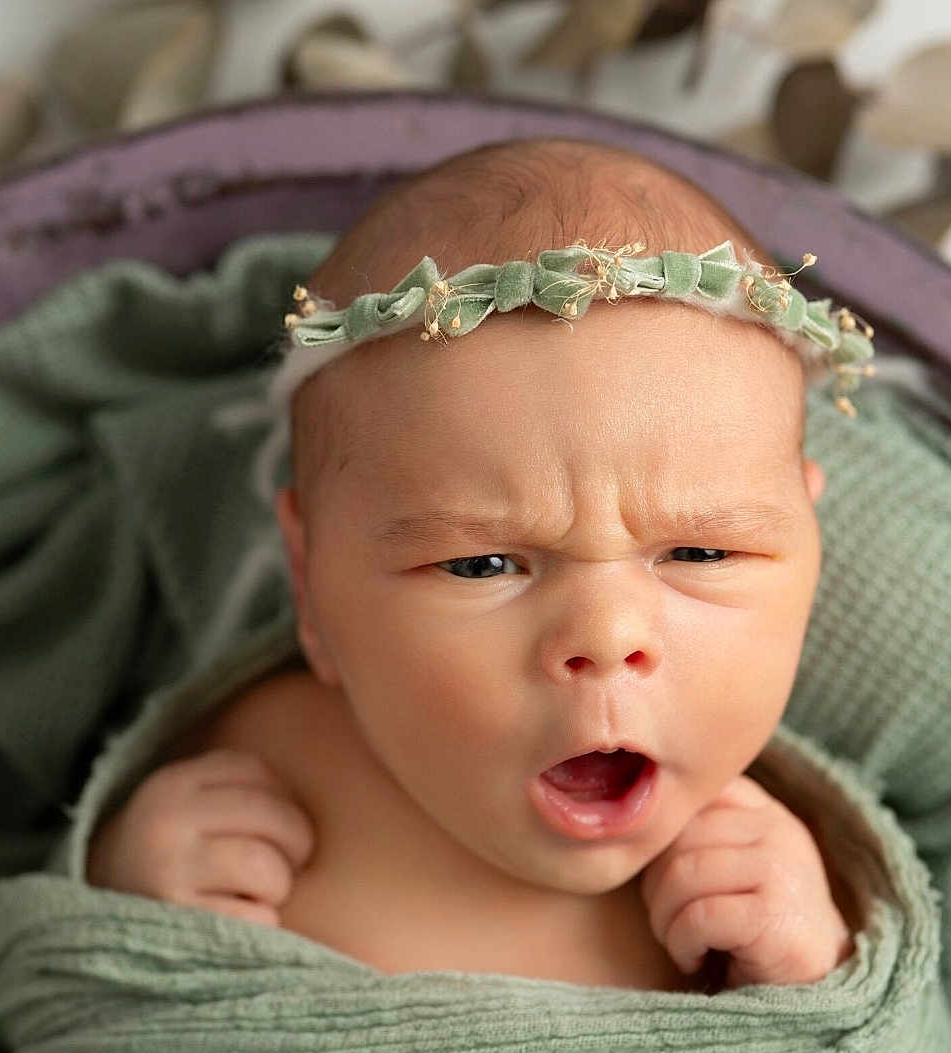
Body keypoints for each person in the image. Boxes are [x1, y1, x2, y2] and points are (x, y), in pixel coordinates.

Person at [83, 135, 869, 993]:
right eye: (483, 563)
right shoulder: (256, 765)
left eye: (701, 552)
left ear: (808, 546)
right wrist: (118, 898)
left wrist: (816, 969)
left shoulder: (783, 868)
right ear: (310, 584)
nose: (607, 638)